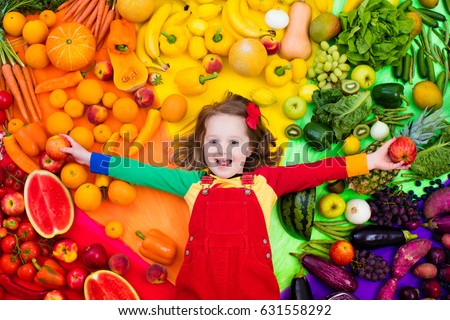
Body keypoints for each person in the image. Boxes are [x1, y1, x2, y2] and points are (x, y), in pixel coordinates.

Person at [61, 92, 410, 300]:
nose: (222, 152)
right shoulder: (192, 185)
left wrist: (371, 160)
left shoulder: (266, 183)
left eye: (234, 144)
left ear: (251, 149)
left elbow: (320, 169)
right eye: (213, 143)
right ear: (202, 146)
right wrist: (88, 158)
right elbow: (141, 171)